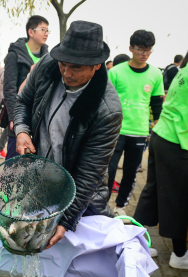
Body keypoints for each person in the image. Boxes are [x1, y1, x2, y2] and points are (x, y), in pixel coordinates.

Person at [14, 21, 122, 249]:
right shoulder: (48, 65)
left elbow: (88, 175)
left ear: (96, 66)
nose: (67, 73)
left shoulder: (107, 110)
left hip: (81, 196)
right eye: (63, 64)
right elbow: (23, 100)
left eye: (76, 68)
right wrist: (22, 130)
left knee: (78, 253)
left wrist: (66, 221)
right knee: (27, 243)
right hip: (39, 181)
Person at [133, 52, 188, 267]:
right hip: (176, 140)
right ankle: (180, 255)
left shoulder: (183, 70)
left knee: (154, 191)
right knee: (177, 197)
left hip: (162, 135)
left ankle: (137, 242)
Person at [107, 30, 164, 219]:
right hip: (115, 130)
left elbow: (156, 105)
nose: (144, 53)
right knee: (109, 169)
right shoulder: (116, 72)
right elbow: (106, 101)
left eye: (148, 50)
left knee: (131, 173)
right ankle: (102, 204)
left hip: (139, 131)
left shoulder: (155, 74)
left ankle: (120, 207)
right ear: (131, 48)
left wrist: (157, 127)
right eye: (140, 49)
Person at [1, 15, 49, 160]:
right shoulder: (14, 55)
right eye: (42, 29)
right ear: (31, 32)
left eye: (48, 30)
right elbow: (9, 89)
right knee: (13, 165)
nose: (46, 33)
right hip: (19, 115)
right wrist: (14, 118)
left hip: (41, 119)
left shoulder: (48, 57)